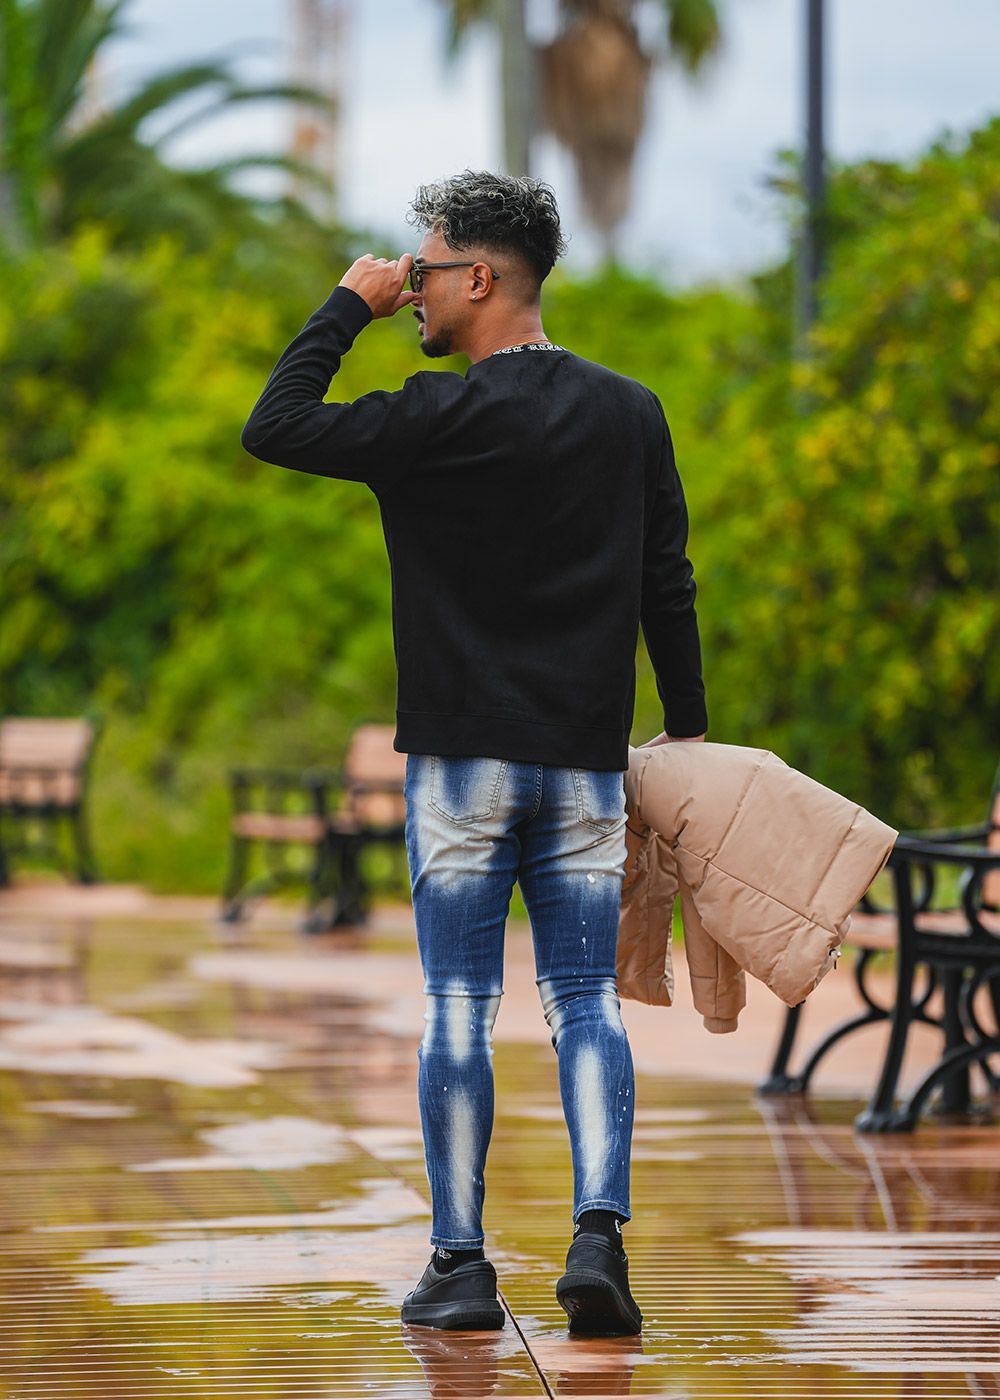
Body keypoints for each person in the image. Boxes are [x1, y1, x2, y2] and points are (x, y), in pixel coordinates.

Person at [240, 170, 708, 1336]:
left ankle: (460, 1265)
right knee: (584, 1000)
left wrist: (344, 305)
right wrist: (688, 725)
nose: (413, 291)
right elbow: (667, 579)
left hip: (461, 765)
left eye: (427, 268)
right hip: (583, 763)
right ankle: (598, 1241)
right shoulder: (630, 411)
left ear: (481, 278)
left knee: (458, 1000)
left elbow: (274, 424)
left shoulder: (431, 420)